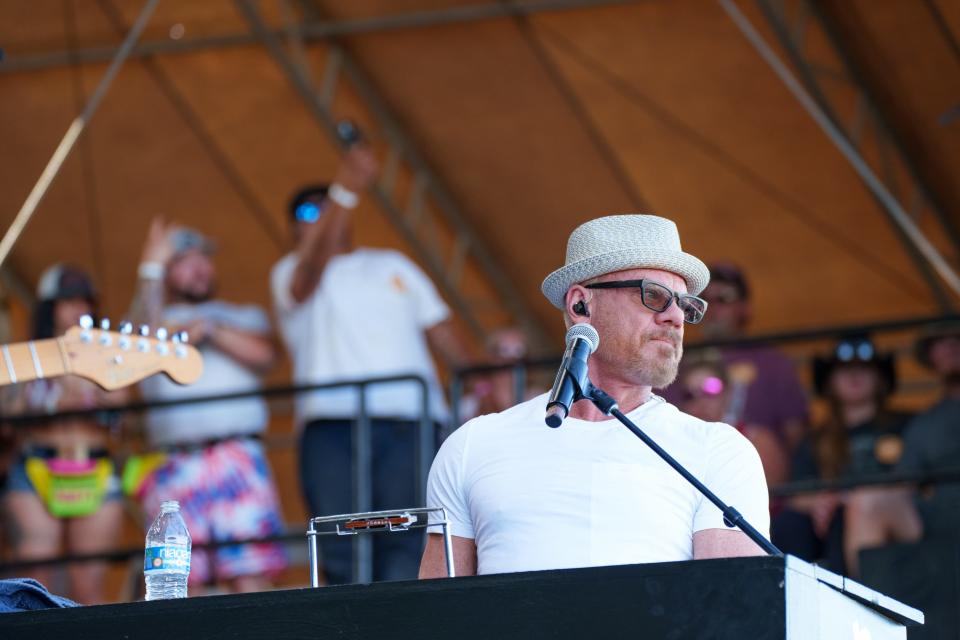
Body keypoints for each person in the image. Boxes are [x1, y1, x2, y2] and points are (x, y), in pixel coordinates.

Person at [420, 214, 770, 578]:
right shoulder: (472, 446)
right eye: (654, 295)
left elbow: (734, 614)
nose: (675, 317)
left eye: (684, 304)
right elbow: (433, 616)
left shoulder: (719, 451)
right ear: (580, 305)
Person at [271, 145, 473, 584]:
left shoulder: (390, 263)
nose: (322, 216)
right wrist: (343, 192)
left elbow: (444, 333)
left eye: (328, 207)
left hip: (409, 425)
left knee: (409, 537)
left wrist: (487, 384)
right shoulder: (290, 272)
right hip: (331, 430)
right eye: (309, 212)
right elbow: (306, 281)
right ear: (291, 229)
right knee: (340, 543)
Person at [131, 221, 287, 593]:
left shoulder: (243, 315)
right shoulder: (145, 322)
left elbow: (267, 355)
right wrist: (150, 268)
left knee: (250, 576)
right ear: (167, 273)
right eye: (184, 261)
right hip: (174, 463)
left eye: (204, 259)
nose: (199, 268)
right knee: (178, 581)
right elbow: (138, 347)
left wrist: (211, 329)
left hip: (238, 456)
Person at [1, 265, 127, 604]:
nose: (79, 310)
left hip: (94, 467)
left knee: (89, 586)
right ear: (49, 309)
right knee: (34, 582)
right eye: (68, 301)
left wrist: (108, 398)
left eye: (85, 302)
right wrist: (50, 401)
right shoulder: (27, 355)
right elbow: (8, 415)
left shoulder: (108, 354)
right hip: (37, 467)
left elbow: (123, 414)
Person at [771, 335, 916, 575]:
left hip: (896, 523)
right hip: (830, 528)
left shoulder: (907, 425)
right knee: (791, 522)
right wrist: (820, 502)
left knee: (849, 512)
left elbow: (918, 485)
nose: (854, 376)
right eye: (843, 370)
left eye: (864, 369)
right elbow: (795, 494)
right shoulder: (815, 438)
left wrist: (846, 499)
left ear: (880, 378)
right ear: (829, 382)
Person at [663, 263, 808, 453]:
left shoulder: (774, 363)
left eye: (723, 299)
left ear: (745, 308)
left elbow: (795, 434)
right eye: (704, 299)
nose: (712, 308)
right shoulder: (674, 359)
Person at [677, 350, 788, 488]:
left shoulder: (758, 440)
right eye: (689, 395)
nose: (701, 401)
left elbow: (772, 495)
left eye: (711, 389)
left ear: (728, 392)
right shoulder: (676, 445)